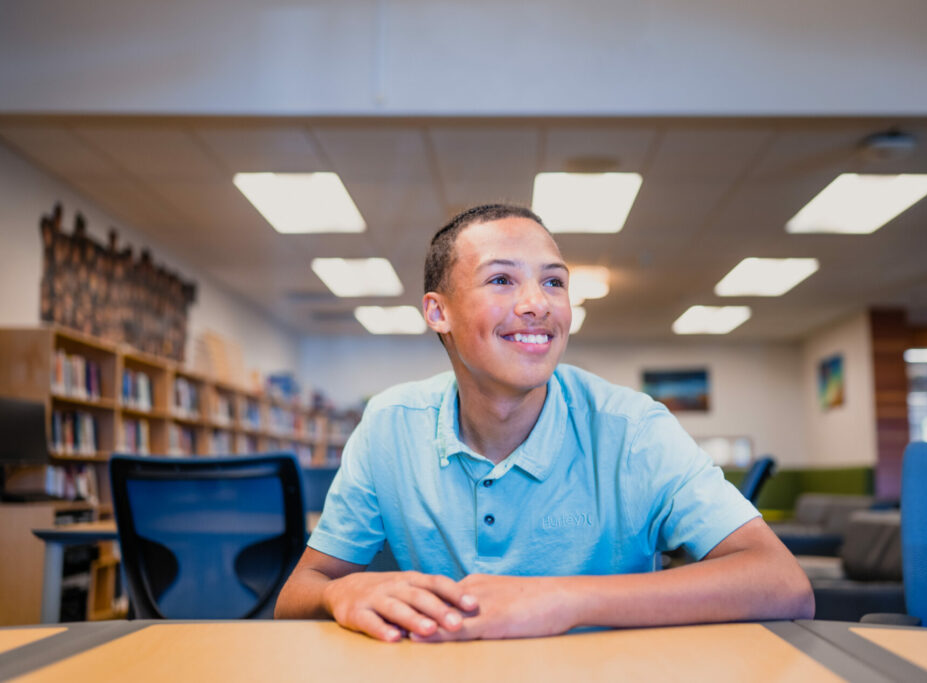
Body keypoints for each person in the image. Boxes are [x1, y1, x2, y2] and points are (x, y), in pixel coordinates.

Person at [275, 204, 814, 641]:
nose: (538, 303)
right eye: (502, 279)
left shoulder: (633, 429)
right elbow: (297, 594)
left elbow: (783, 582)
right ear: (439, 312)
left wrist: (562, 599)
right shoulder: (389, 427)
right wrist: (341, 592)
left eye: (554, 282)